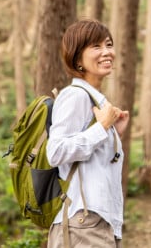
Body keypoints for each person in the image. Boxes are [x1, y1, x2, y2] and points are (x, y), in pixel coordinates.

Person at [46, 19, 130, 248]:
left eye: (109, 45)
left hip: (98, 223)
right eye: (96, 47)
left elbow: (93, 166)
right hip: (83, 224)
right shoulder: (75, 96)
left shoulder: (94, 100)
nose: (107, 52)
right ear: (77, 57)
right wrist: (101, 128)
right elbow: (55, 152)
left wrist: (113, 134)